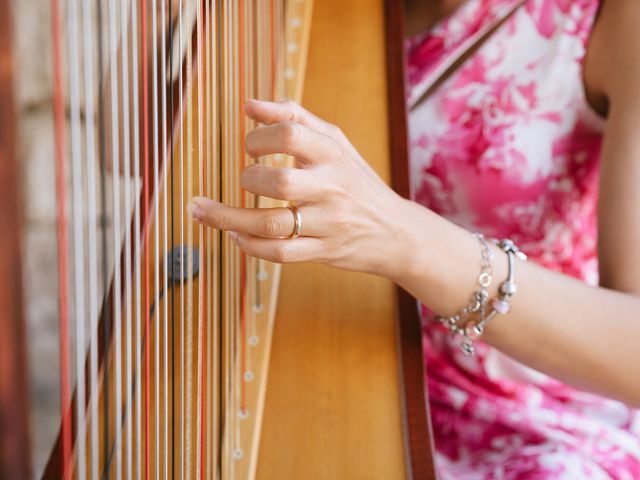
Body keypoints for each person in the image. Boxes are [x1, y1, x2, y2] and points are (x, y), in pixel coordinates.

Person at [191, 0, 640, 477]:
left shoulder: (616, 18)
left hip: (528, 409)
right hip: (326, 337)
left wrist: (408, 241)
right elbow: (130, 148)